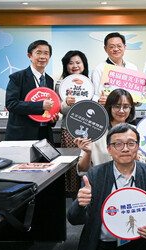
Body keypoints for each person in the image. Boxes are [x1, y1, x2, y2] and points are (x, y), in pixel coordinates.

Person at [5, 40, 59, 143]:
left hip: (44, 135)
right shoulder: (17, 77)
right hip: (22, 135)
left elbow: (47, 108)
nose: (42, 57)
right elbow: (11, 104)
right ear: (30, 56)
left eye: (46, 53)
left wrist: (52, 118)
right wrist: (41, 106)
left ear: (49, 57)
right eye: (38, 53)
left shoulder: (49, 80)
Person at [74, 89, 135, 175]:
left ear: (130, 109)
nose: (121, 111)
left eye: (126, 107)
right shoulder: (96, 132)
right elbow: (82, 170)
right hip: (102, 183)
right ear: (109, 107)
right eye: (117, 106)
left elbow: (144, 167)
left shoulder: (136, 132)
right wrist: (88, 153)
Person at [55, 50, 90, 197]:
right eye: (70, 63)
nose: (74, 66)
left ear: (83, 64)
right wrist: (66, 103)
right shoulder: (60, 84)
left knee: (88, 161)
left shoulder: (91, 82)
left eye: (78, 62)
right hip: (69, 129)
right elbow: (59, 109)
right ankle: (74, 195)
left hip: (90, 129)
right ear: (66, 65)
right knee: (72, 164)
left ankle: (88, 191)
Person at [91, 32, 138, 106]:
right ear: (105, 49)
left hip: (128, 113)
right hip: (108, 112)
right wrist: (99, 100)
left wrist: (137, 100)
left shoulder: (133, 68)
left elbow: (138, 98)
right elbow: (95, 96)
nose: (116, 49)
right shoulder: (99, 69)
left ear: (125, 47)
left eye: (119, 46)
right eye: (111, 47)